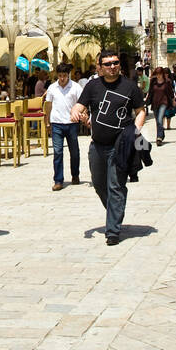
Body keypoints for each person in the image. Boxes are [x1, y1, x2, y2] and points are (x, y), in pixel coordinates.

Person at [72, 49, 147, 246]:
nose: (112, 67)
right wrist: (75, 113)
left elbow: (140, 111)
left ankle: (112, 230)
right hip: (97, 145)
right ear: (100, 67)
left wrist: (135, 131)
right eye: (108, 64)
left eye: (115, 63)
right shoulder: (92, 86)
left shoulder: (130, 86)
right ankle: (115, 210)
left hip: (120, 145)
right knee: (98, 184)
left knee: (115, 185)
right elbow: (79, 106)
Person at [46, 62, 83, 189]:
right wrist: (47, 122)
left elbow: (82, 103)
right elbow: (48, 105)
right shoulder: (52, 88)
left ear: (68, 75)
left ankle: (75, 174)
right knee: (57, 152)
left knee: (74, 151)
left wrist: (83, 115)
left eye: (64, 75)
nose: (62, 78)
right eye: (60, 75)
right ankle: (58, 180)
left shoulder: (76, 87)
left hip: (71, 123)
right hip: (56, 123)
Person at [146, 65, 175, 146]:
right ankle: (162, 134)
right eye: (157, 73)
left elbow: (170, 92)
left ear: (162, 74)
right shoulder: (153, 81)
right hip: (155, 102)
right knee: (157, 121)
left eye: (160, 73)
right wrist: (147, 99)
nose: (158, 75)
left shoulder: (167, 81)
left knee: (160, 119)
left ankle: (159, 137)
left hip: (164, 102)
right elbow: (150, 91)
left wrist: (173, 100)